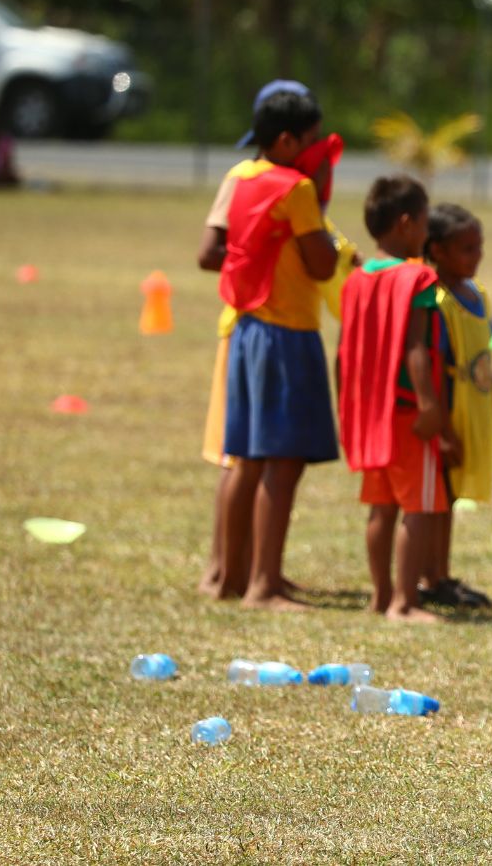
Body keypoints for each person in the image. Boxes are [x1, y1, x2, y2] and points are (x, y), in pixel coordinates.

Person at [195, 79, 352, 600]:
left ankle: (228, 576)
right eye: (310, 139)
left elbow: (218, 248)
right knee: (283, 463)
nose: (316, 148)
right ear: (286, 142)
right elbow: (322, 263)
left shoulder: (242, 178)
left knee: (244, 457)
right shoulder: (295, 187)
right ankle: (264, 584)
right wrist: (324, 228)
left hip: (246, 329)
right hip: (288, 333)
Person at [337, 176, 450, 624]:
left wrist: (346, 404)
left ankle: (381, 595)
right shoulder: (418, 277)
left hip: (370, 413)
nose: (427, 232)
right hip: (407, 412)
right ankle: (406, 602)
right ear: (406, 224)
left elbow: (343, 352)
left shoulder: (357, 278)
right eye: (424, 223)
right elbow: (417, 347)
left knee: (380, 507)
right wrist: (428, 404)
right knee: (417, 507)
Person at [423, 203, 492, 609]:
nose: (477, 255)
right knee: (433, 498)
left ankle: (439, 574)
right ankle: (428, 577)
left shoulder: (478, 293)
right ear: (437, 250)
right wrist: (444, 431)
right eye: (467, 248)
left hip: (476, 414)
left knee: (448, 499)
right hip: (449, 417)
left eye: (478, 245)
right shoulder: (434, 300)